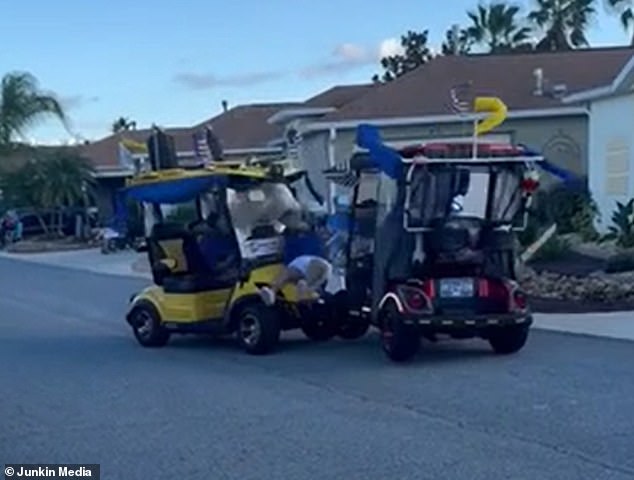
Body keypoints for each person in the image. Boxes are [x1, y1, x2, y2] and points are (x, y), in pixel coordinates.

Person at [258, 214, 332, 306]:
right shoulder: (296, 234)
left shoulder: (311, 235)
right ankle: (307, 292)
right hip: (311, 265)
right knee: (299, 278)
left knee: (288, 275)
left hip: (307, 263)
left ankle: (273, 291)